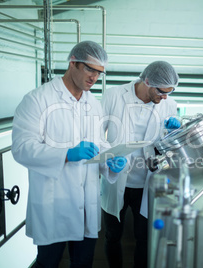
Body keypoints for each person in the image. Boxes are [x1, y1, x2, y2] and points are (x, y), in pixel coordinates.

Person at [11, 41, 127, 268]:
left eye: (99, 73)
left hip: (87, 203)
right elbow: (22, 148)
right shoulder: (37, 99)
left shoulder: (93, 104)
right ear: (73, 62)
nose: (94, 77)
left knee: (83, 262)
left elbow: (99, 143)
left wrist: (109, 161)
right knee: (48, 263)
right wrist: (66, 154)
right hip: (53, 203)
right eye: (89, 69)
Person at [100, 61, 181, 268]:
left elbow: (167, 145)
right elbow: (96, 135)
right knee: (112, 235)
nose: (165, 97)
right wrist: (107, 159)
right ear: (147, 81)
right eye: (162, 92)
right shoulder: (114, 96)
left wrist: (173, 131)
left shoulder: (169, 105)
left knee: (144, 237)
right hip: (115, 176)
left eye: (169, 93)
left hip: (147, 181)